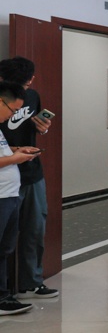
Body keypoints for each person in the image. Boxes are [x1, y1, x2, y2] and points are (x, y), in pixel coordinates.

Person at [0, 57, 58, 301]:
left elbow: (38, 127)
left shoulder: (32, 96)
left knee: (34, 228)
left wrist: (44, 127)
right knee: (5, 236)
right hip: (5, 174)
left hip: (31, 171)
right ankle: (5, 290)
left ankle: (31, 281)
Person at [0, 81, 38, 316]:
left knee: (5, 248)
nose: (12, 116)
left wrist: (16, 150)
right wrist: (15, 159)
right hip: (1, 197)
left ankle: (3, 296)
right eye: (12, 110)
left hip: (9, 194)